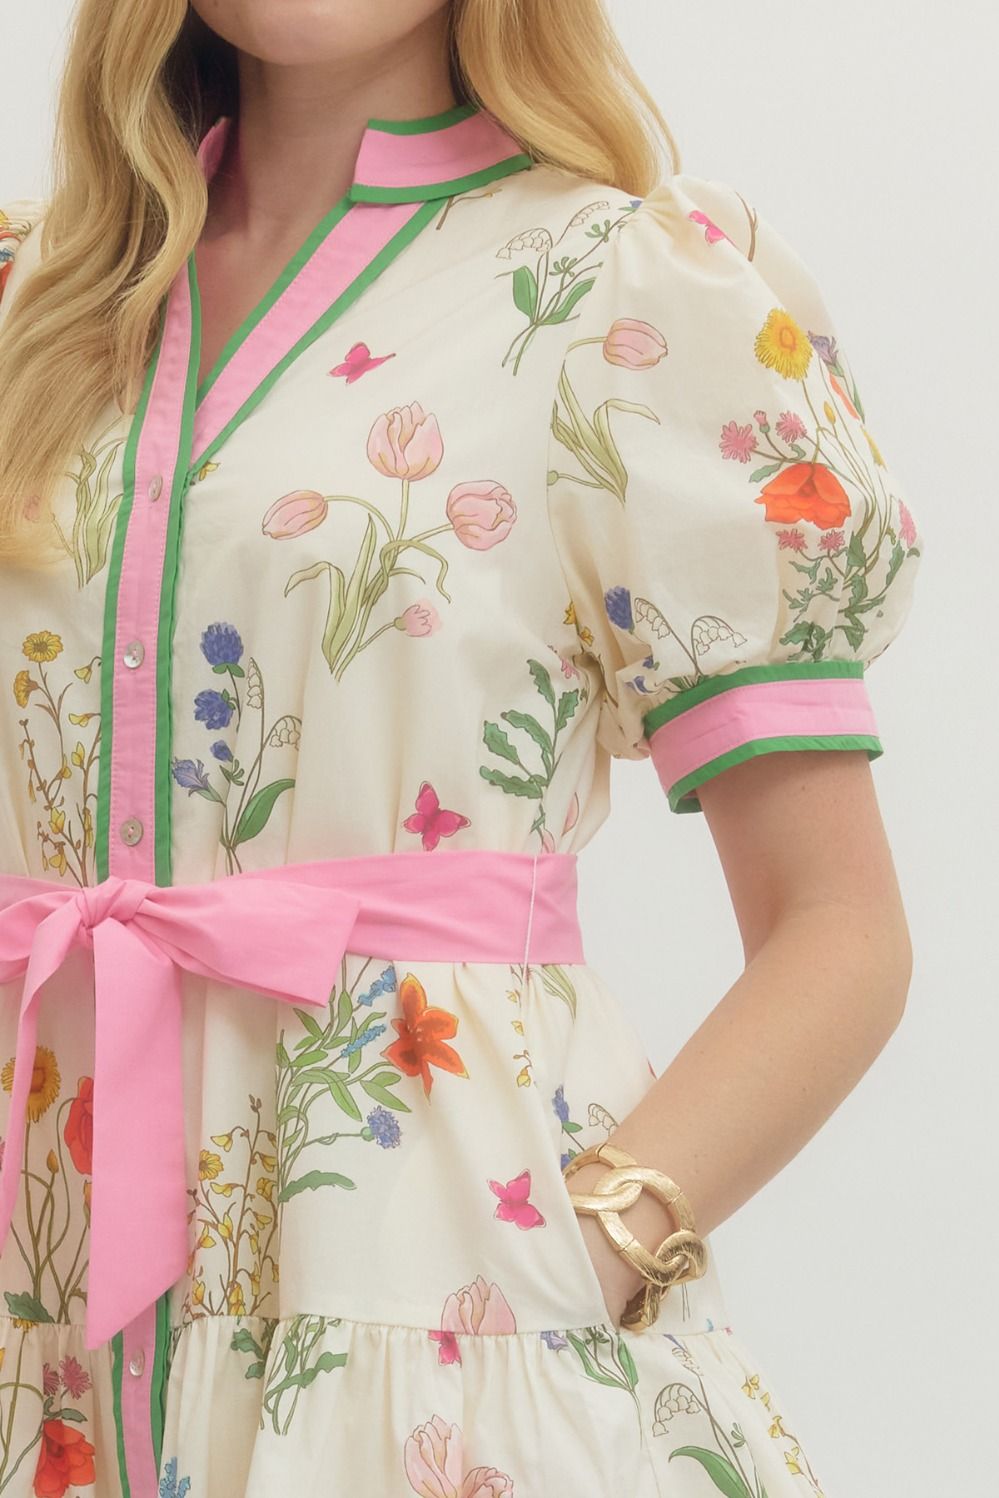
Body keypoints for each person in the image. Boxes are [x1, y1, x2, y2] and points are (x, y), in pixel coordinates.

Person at [0, 0, 923, 1494]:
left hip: (436, 1321)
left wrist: (589, 1246)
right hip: (41, 1281)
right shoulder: (30, 303)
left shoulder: (615, 293)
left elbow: (840, 926)